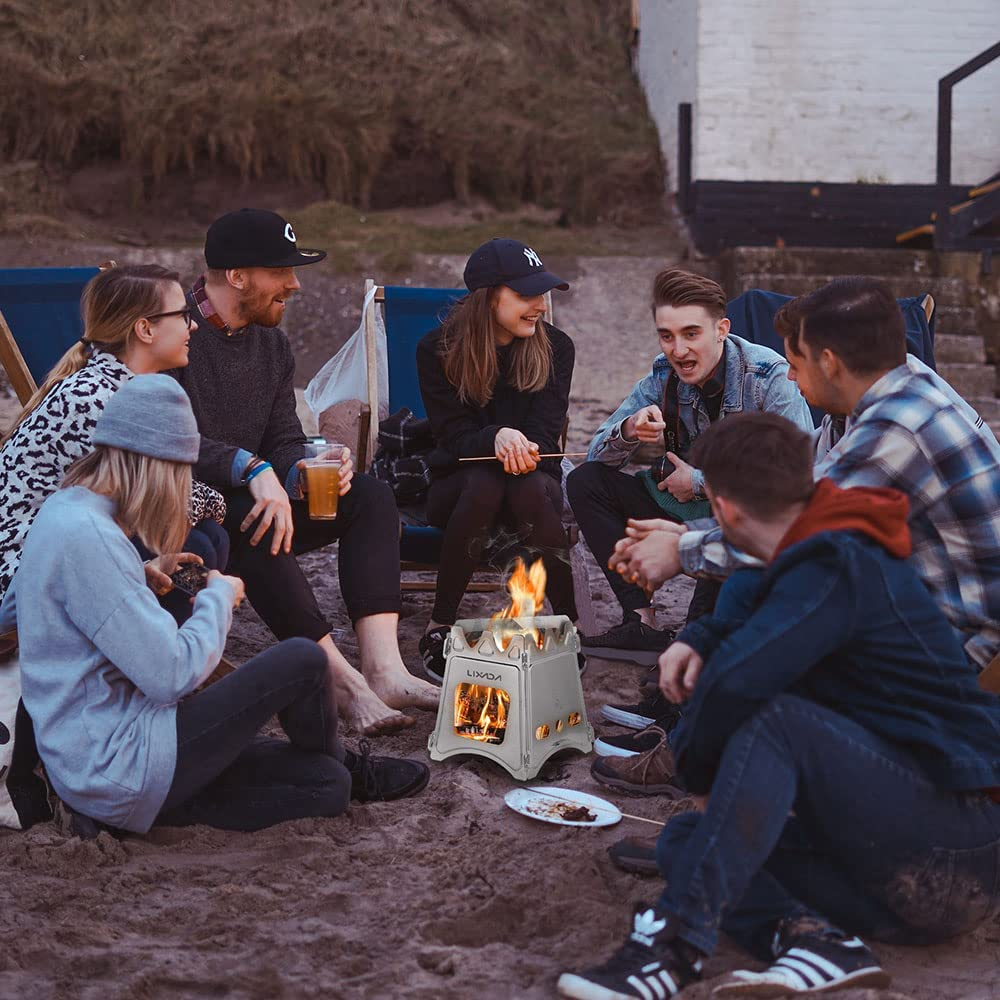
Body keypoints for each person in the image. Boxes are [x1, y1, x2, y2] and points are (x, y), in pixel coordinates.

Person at [558, 413, 1000, 1000]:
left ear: (724, 509)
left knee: (775, 724)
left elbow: (739, 684)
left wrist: (698, 770)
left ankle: (672, 948)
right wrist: (700, 639)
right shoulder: (793, 552)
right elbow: (747, 625)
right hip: (883, 874)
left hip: (953, 855)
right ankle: (816, 941)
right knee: (687, 839)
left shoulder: (839, 559)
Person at [14, 375, 429, 836]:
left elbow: (54, 609)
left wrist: (140, 574)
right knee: (304, 660)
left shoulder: (67, 511)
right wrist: (218, 597)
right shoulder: (89, 538)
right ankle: (347, 762)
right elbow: (171, 675)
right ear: (154, 463)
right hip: (121, 762)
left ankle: (340, 769)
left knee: (325, 786)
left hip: (108, 764)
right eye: (180, 473)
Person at [611, 276, 1000, 671]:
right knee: (752, 581)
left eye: (795, 366)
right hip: (919, 602)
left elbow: (801, 529)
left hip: (963, 643)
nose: (791, 378)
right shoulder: (883, 390)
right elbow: (794, 485)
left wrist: (681, 550)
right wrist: (690, 532)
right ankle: (686, 714)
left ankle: (694, 709)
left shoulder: (899, 426)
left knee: (770, 601)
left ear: (829, 363)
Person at [174, 208, 440, 736]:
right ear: (237, 275)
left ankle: (384, 669)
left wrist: (302, 467)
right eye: (282, 272)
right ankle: (341, 682)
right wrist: (252, 470)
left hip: (260, 493)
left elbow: (282, 435)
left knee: (368, 495)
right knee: (256, 516)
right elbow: (167, 437)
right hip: (190, 509)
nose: (295, 285)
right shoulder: (172, 332)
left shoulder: (271, 344)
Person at [567, 267, 813, 666]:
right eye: (667, 336)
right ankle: (641, 620)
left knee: (695, 645)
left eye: (690, 334)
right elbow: (596, 452)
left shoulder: (769, 376)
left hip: (743, 520)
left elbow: (800, 473)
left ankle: (693, 651)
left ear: (721, 329)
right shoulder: (663, 374)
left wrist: (699, 481)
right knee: (586, 481)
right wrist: (629, 430)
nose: (677, 350)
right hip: (679, 507)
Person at [0, 264, 229, 610]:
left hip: (68, 549)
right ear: (145, 329)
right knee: (194, 542)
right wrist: (218, 498)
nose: (193, 324)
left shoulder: (120, 387)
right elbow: (163, 502)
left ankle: (166, 643)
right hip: (23, 575)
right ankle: (156, 653)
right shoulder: (94, 399)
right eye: (182, 315)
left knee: (206, 538)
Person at [415, 238, 577, 680]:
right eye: (526, 295)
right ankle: (440, 623)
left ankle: (568, 623)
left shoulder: (557, 349)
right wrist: (496, 437)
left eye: (541, 294)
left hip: (531, 483)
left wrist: (520, 447)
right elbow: (452, 436)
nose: (539, 305)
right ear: (489, 298)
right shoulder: (437, 350)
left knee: (523, 486)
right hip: (460, 487)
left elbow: (546, 436)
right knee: (486, 482)